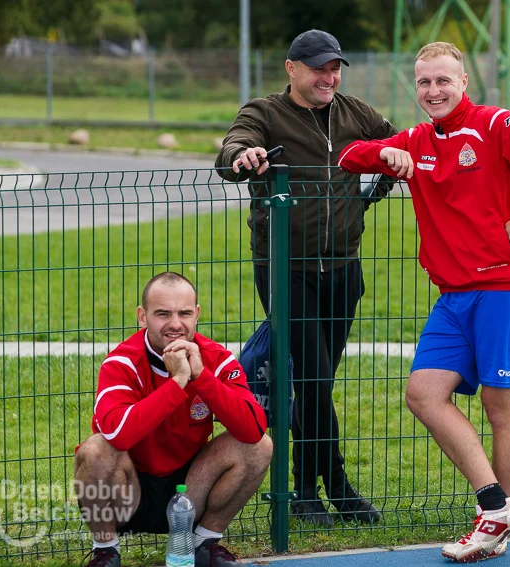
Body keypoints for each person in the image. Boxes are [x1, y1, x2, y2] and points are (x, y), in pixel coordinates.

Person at [339, 42, 510, 562]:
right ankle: (496, 505)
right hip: (453, 294)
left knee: (500, 404)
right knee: (423, 393)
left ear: (464, 81)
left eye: (444, 80)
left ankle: (494, 529)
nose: (434, 91)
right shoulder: (418, 139)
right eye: (424, 82)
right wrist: (383, 152)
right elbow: (349, 156)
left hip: (507, 286)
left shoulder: (493, 125)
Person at [215, 29, 395, 527]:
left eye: (335, 68)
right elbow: (234, 146)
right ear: (292, 68)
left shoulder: (355, 112)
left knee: (320, 382)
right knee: (314, 378)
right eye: (319, 68)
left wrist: (381, 179)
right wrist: (243, 157)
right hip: (284, 269)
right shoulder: (266, 112)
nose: (329, 77)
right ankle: (324, 490)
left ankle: (312, 490)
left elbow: (397, 144)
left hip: (343, 268)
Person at [74, 272, 272, 567]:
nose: (176, 324)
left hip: (190, 488)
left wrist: (201, 377)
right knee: (95, 449)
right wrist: (178, 381)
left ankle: (204, 544)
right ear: (142, 317)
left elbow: (253, 429)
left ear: (197, 315)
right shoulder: (121, 362)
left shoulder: (216, 358)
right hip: (130, 490)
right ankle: (106, 552)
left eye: (184, 313)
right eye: (162, 314)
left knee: (260, 446)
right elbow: (118, 435)